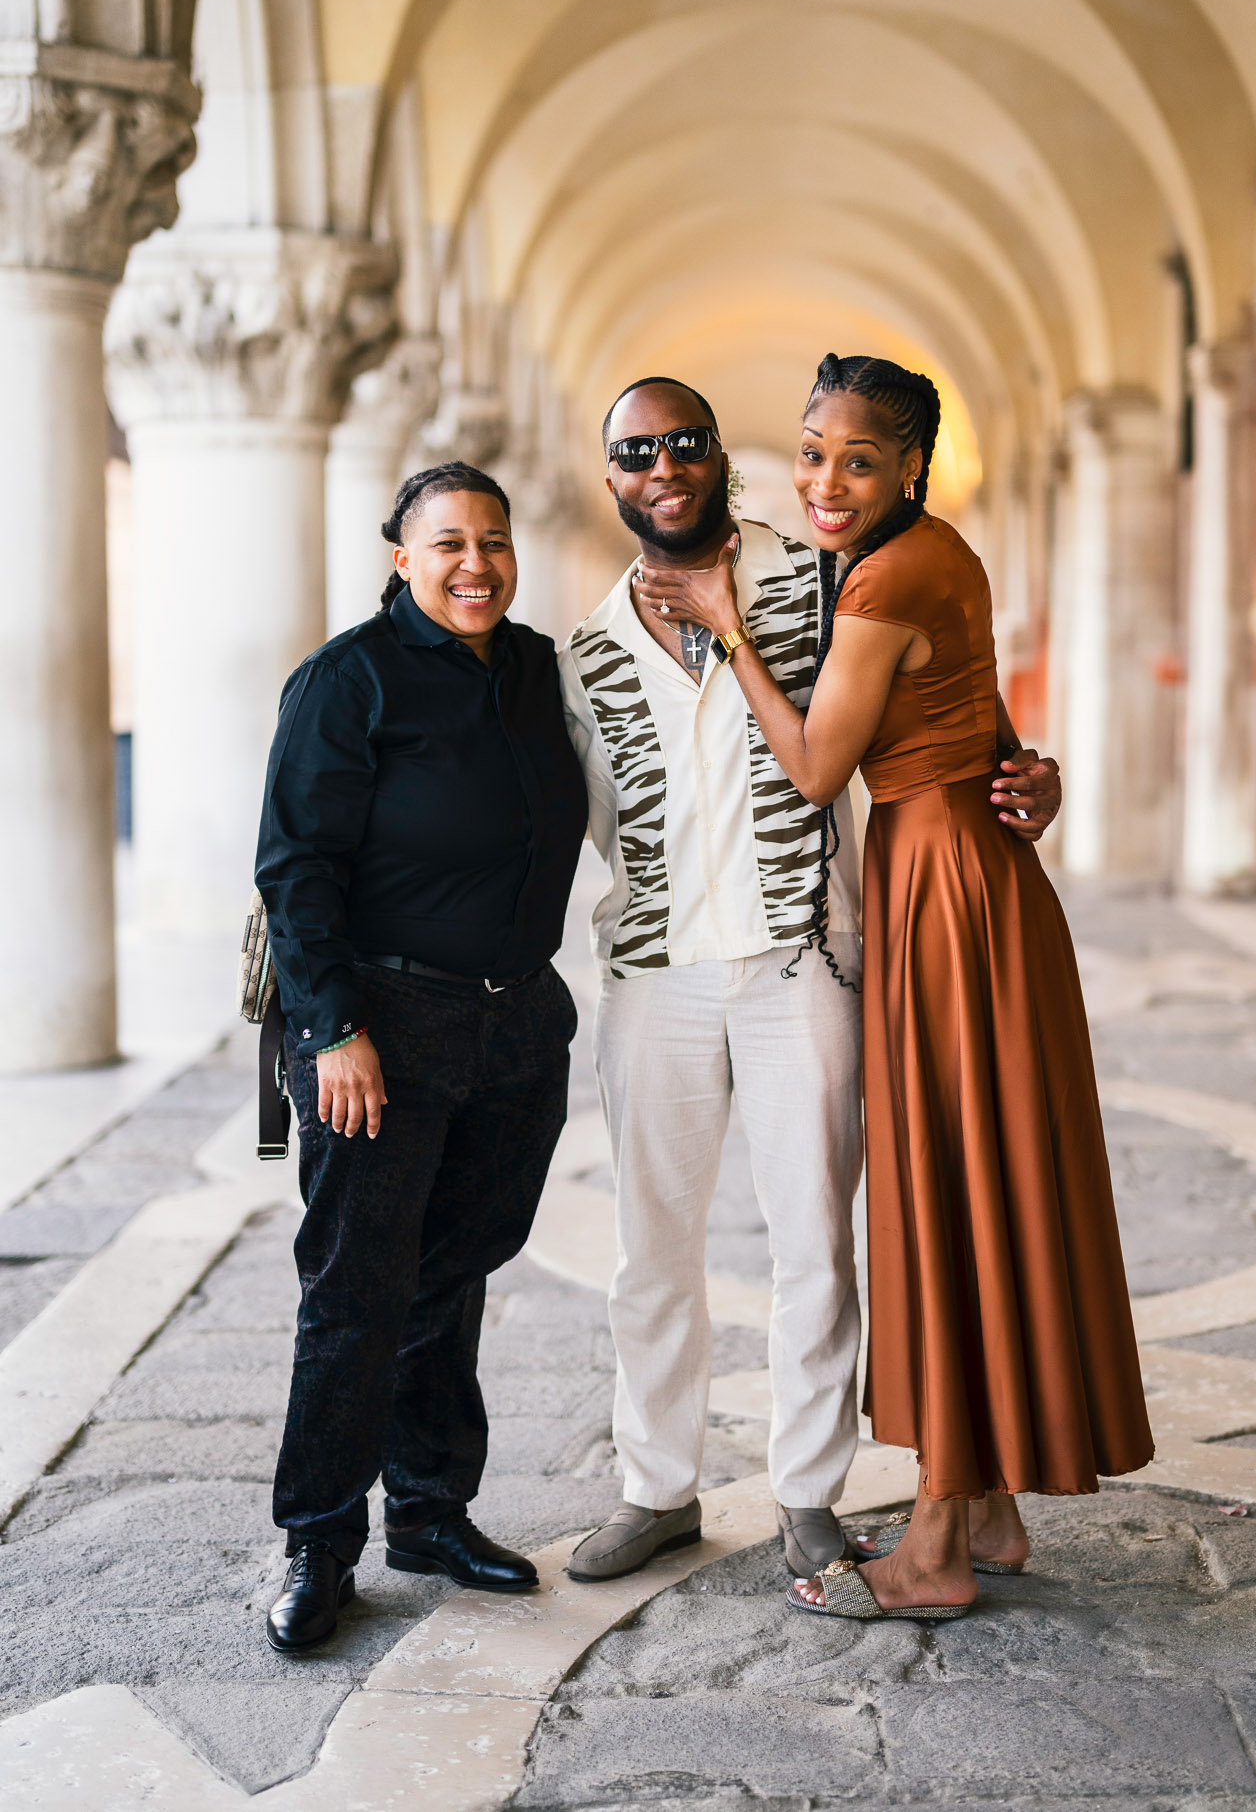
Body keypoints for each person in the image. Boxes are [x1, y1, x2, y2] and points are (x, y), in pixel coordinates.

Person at [634, 354, 1153, 1624]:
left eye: (857, 460)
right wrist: (1025, 772)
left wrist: (725, 628)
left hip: (944, 886)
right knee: (965, 1176)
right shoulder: (922, 553)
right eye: (810, 451)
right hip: (951, 871)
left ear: (908, 465)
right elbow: (965, 715)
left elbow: (815, 766)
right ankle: (983, 1503)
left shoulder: (892, 568)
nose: (824, 478)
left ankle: (934, 1544)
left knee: (951, 1190)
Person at [558, 377, 1063, 1586]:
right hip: (653, 974)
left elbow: (941, 689)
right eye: (637, 452)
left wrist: (1022, 774)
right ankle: (655, 1488)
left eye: (685, 443)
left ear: (720, 458)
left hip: (804, 961)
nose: (664, 467)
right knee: (651, 1246)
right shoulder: (582, 647)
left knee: (815, 1245)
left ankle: (805, 1494)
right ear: (611, 476)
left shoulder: (823, 577)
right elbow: (537, 815)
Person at [254, 460, 588, 1651]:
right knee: (355, 1288)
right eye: (446, 544)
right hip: (381, 1029)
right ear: (402, 558)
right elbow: (295, 869)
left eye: (491, 542)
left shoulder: (540, 669)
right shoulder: (349, 681)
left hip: (512, 1028)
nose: (474, 564)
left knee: (453, 1273)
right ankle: (319, 1543)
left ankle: (432, 1515)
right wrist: (330, 1031)